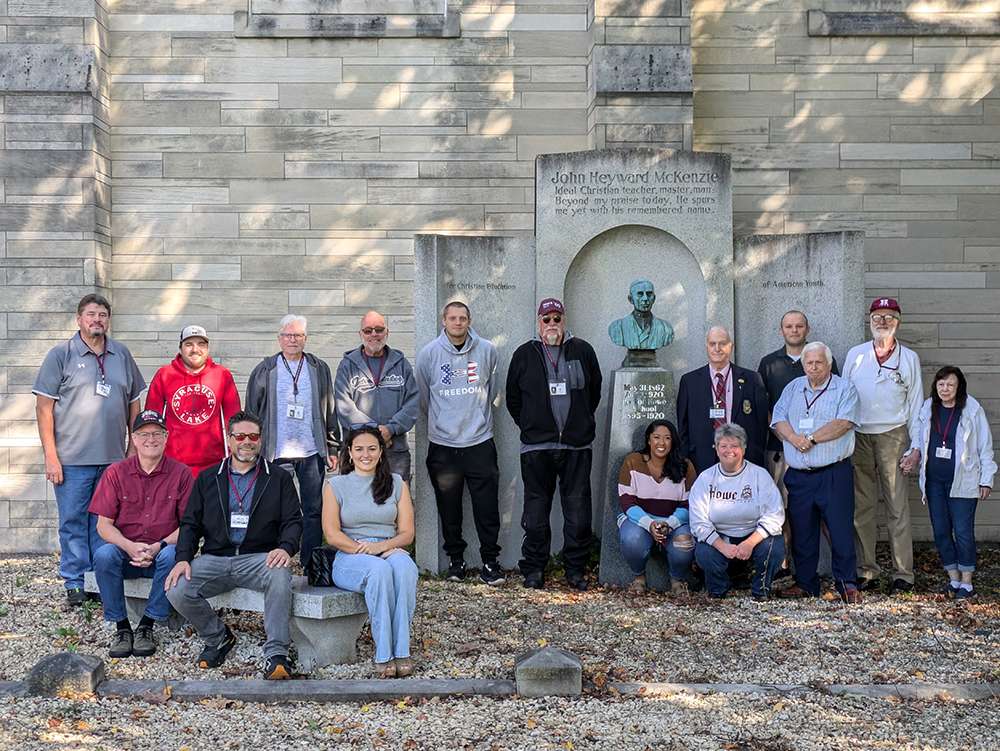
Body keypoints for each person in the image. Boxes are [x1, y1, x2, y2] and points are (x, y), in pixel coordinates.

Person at [165, 411, 302, 680]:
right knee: (177, 587)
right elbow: (191, 523)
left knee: (280, 573)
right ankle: (217, 637)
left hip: (259, 558)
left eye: (253, 436)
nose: (246, 441)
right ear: (230, 440)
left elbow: (294, 521)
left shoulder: (278, 477)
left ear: (261, 440)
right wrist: (183, 557)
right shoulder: (207, 478)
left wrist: (285, 548)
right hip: (215, 558)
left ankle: (276, 654)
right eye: (240, 436)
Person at [32, 294, 146, 607]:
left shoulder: (121, 354)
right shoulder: (61, 355)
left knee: (105, 522)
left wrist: (132, 449)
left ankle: (99, 578)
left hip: (113, 461)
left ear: (109, 320)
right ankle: (75, 581)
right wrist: (51, 457)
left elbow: (134, 405)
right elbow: (43, 409)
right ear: (79, 320)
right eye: (91, 314)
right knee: (72, 522)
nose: (97, 320)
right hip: (71, 460)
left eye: (103, 315)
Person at [506, 298, 603, 590]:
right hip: (537, 448)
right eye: (546, 319)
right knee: (535, 514)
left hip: (576, 447)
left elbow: (594, 392)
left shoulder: (583, 351)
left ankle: (575, 569)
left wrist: (579, 423)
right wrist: (532, 426)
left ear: (564, 321)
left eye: (557, 318)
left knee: (578, 515)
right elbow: (513, 399)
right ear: (538, 323)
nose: (552, 324)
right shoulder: (524, 354)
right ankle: (534, 568)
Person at [89, 410, 193, 657]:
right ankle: (122, 628)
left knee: (172, 555)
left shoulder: (182, 473)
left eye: (157, 433)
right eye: (144, 434)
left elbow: (189, 526)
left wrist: (159, 545)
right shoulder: (115, 473)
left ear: (166, 437)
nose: (151, 439)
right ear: (133, 439)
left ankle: (147, 625)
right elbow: (103, 526)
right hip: (127, 556)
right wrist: (128, 546)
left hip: (162, 554)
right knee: (104, 555)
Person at [416, 301, 502, 585]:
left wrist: (476, 417)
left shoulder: (488, 350)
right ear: (444, 320)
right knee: (449, 508)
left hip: (479, 441)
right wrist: (443, 421)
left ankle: (490, 563)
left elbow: (493, 391)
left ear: (469, 320)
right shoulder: (428, 354)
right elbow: (425, 398)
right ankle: (456, 562)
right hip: (443, 445)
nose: (457, 323)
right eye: (452, 318)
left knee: (486, 508)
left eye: (462, 318)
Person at [322, 426, 418, 679]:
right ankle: (384, 653)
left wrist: (381, 547)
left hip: (387, 547)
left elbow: (407, 533)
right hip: (349, 555)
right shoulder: (336, 485)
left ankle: (402, 650)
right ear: (350, 454)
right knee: (378, 570)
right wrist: (366, 551)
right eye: (359, 449)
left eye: (372, 449)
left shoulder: (397, 483)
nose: (366, 454)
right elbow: (332, 534)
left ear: (381, 452)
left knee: (406, 567)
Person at [770, 343, 863, 604]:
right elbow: (778, 419)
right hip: (799, 476)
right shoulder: (792, 388)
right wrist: (793, 438)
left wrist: (809, 438)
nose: (813, 368)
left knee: (840, 530)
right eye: (808, 363)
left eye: (818, 363)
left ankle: (847, 583)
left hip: (833, 473)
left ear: (829, 364)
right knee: (803, 531)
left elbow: (843, 424)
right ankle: (806, 583)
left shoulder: (844, 389)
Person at [245, 314, 339, 566]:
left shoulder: (319, 368)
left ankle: (310, 561)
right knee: (276, 510)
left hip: (310, 451)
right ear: (279, 339)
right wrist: (252, 447)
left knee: (313, 509)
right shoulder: (265, 369)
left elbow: (330, 409)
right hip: (277, 452)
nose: (292, 340)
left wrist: (332, 447)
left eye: (298, 335)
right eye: (288, 335)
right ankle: (277, 560)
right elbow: (251, 412)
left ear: (305, 339)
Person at [843, 298, 922, 595]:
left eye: (889, 317)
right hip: (860, 436)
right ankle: (867, 571)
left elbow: (916, 405)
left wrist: (916, 448)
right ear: (870, 321)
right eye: (878, 316)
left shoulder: (909, 358)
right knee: (862, 507)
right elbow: (845, 395)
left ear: (898, 323)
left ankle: (903, 574)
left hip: (895, 436)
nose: (883, 322)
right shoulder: (856, 355)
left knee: (897, 507)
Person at [757, 311, 840, 562]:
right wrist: (789, 438)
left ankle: (841, 568)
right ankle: (783, 567)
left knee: (827, 514)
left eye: (799, 326)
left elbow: (834, 402)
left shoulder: (825, 359)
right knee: (782, 511)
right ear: (781, 331)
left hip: (821, 450)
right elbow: (765, 406)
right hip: (780, 449)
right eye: (789, 326)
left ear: (808, 329)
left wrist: (812, 440)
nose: (794, 330)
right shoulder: (768, 363)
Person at [909, 366, 995, 600]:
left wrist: (986, 479)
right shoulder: (928, 408)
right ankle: (953, 578)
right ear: (935, 386)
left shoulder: (972, 410)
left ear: (959, 388)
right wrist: (911, 454)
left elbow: (985, 446)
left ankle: (967, 582)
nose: (945, 389)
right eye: (941, 384)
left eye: (950, 384)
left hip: (963, 481)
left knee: (963, 531)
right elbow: (919, 437)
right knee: (941, 531)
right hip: (934, 482)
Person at [688, 423, 786, 600]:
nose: (729, 451)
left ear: (743, 449)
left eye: (735, 446)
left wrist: (749, 543)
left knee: (776, 546)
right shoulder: (705, 479)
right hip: (720, 537)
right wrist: (722, 546)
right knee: (704, 552)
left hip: (753, 535)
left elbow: (774, 515)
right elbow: (698, 522)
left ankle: (761, 589)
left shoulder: (759, 475)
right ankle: (718, 587)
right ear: (717, 450)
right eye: (723, 446)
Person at [145, 325, 241, 477]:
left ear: (208, 349)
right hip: (172, 463)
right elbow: (151, 419)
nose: (195, 349)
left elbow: (234, 420)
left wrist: (234, 456)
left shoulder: (222, 375)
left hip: (212, 463)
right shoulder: (164, 374)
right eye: (189, 344)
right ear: (180, 348)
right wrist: (150, 456)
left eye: (201, 344)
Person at [334, 311, 419, 481]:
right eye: (368, 330)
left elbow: (412, 403)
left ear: (386, 333)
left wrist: (391, 429)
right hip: (358, 453)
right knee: (356, 504)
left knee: (396, 503)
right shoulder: (347, 366)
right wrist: (375, 434)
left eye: (379, 329)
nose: (374, 334)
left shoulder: (401, 365)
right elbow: (344, 406)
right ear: (360, 335)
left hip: (395, 452)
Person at [616, 420, 696, 595]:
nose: (661, 443)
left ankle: (676, 579)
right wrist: (649, 524)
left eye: (667, 438)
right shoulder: (633, 462)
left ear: (673, 441)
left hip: (674, 521)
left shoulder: (685, 466)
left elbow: (688, 504)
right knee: (632, 540)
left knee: (685, 543)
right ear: (648, 439)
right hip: (640, 520)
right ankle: (639, 578)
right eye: (657, 437)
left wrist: (671, 524)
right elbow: (627, 502)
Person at [677, 326, 769, 474]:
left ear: (731, 347)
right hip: (701, 458)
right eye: (712, 344)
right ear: (706, 348)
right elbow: (683, 426)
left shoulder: (752, 379)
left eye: (722, 344)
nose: (717, 349)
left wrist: (755, 450)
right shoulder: (689, 381)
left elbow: (761, 423)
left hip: (742, 458)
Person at [607, 279, 675, 351]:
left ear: (654, 299)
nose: (645, 298)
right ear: (630, 299)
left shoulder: (666, 328)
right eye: (640, 294)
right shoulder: (617, 327)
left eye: (649, 294)